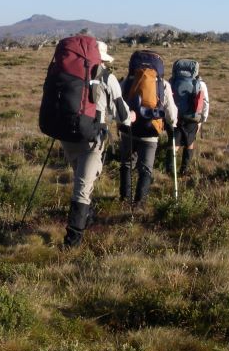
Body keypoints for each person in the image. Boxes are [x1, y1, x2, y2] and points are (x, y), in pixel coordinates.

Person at [60, 41, 135, 248]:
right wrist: (131, 118)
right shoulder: (106, 77)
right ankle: (72, 242)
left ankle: (87, 217)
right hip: (91, 137)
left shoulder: (70, 73)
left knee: (82, 179)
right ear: (101, 59)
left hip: (67, 135)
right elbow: (121, 113)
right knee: (82, 188)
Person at [118, 57, 177, 205]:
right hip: (150, 131)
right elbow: (171, 112)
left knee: (126, 164)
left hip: (128, 129)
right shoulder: (162, 84)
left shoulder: (128, 81)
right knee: (146, 168)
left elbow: (118, 102)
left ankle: (125, 199)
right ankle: (140, 203)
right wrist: (172, 123)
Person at [170, 62, 210, 175]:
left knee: (175, 143)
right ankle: (184, 170)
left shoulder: (173, 81)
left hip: (176, 116)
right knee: (189, 142)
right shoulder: (200, 84)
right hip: (192, 117)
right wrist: (203, 119)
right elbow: (205, 102)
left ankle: (170, 170)